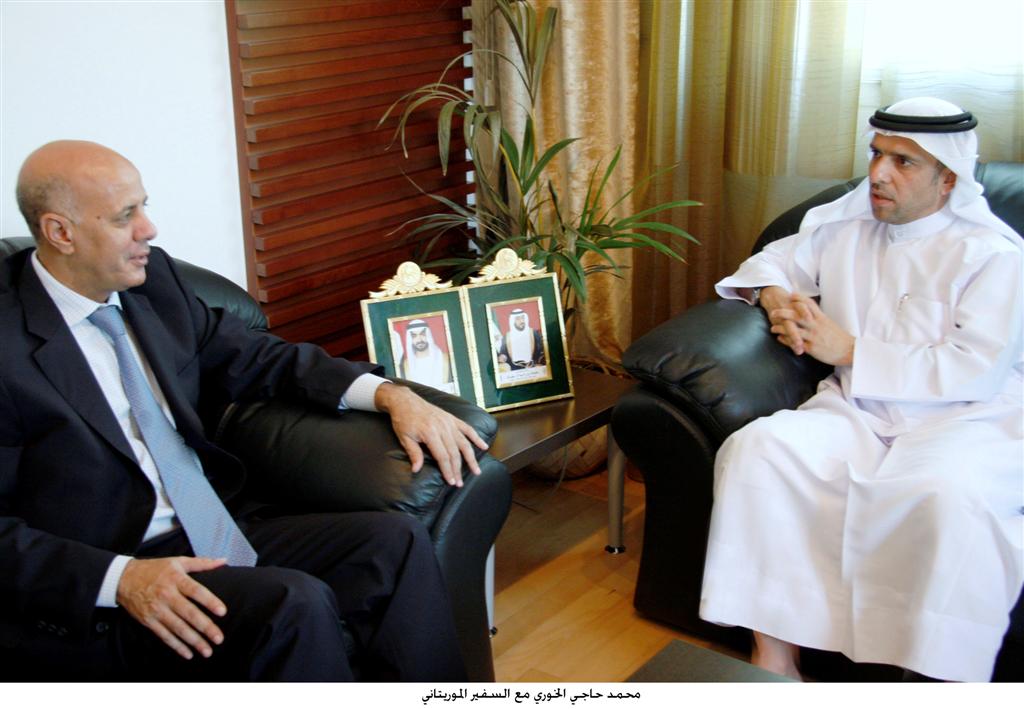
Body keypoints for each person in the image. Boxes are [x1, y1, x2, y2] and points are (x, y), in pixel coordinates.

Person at [0, 140, 492, 681]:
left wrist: (389, 394)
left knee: (395, 543)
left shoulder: (153, 284)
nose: (149, 229)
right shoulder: (8, 345)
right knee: (291, 604)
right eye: (125, 217)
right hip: (107, 576)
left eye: (144, 206)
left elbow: (257, 355)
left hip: (206, 526)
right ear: (60, 232)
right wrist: (120, 579)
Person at [700, 97, 1023, 682]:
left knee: (945, 496)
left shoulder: (994, 256)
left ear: (949, 178)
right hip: (857, 408)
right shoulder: (846, 228)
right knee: (758, 451)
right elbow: (770, 263)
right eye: (876, 154)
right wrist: (778, 300)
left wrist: (848, 350)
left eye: (903, 162)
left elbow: (977, 369)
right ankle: (775, 661)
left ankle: (930, 676)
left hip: (966, 419)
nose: (877, 174)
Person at [398, 319, 455, 393]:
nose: (419, 340)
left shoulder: (446, 359)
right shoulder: (405, 366)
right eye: (414, 336)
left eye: (422, 334)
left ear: (428, 335)